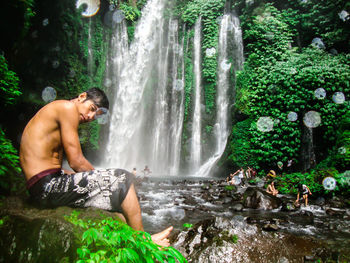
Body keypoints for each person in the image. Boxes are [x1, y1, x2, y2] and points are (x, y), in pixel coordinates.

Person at [19, 88, 172, 246]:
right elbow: (76, 161)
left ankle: (131, 238)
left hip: (41, 186)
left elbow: (52, 166)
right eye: (92, 109)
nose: (91, 117)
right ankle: (145, 242)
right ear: (82, 96)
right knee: (123, 178)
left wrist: (87, 178)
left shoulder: (56, 110)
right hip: (47, 187)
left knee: (118, 204)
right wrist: (104, 180)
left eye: (95, 116)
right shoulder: (67, 107)